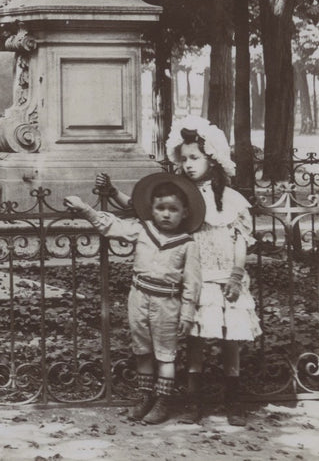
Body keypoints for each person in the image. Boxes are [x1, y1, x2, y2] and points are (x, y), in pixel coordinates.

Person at [65, 173, 204, 425]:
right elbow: (111, 226)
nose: (166, 214)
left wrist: (187, 312)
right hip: (139, 297)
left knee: (165, 353)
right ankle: (145, 396)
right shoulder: (142, 230)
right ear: (151, 209)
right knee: (142, 349)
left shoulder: (187, 244)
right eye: (160, 208)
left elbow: (193, 282)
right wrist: (85, 209)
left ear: (184, 213)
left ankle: (163, 400)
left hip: (168, 304)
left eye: (173, 209)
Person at [171, 116, 262, 424]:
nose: (188, 165)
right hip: (198, 279)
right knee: (196, 337)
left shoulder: (232, 200)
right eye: (184, 159)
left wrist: (236, 275)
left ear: (212, 159)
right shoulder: (182, 200)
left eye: (195, 158)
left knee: (229, 339)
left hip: (225, 278)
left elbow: (240, 242)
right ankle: (193, 401)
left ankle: (232, 400)